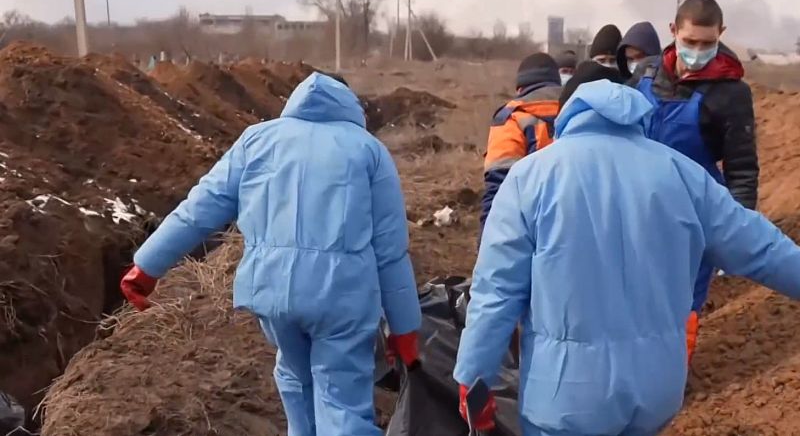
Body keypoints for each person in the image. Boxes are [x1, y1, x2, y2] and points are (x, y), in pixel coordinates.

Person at [453, 67, 800, 435]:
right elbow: (763, 249)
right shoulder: (683, 174)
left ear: (566, 111)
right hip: (656, 390)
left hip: (566, 398)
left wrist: (472, 377)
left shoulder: (529, 179)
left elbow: (497, 292)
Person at [119, 72, 422, 436]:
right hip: (340, 298)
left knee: (294, 378)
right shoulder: (368, 150)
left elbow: (200, 208)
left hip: (272, 293)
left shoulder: (256, 141)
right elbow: (390, 250)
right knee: (340, 402)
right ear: (350, 105)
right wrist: (404, 328)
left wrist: (147, 265)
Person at [630, 0, 757, 362]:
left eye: (707, 43)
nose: (697, 51)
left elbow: (742, 167)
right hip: (637, 205)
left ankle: (668, 379)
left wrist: (738, 232)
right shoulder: (646, 75)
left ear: (721, 35)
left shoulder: (732, 93)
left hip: (694, 216)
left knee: (681, 303)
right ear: (673, 31)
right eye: (690, 42)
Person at [481, 53, 561, 237]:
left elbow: (499, 183)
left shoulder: (511, 117)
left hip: (530, 226)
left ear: (520, 88)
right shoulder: (580, 108)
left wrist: (487, 240)